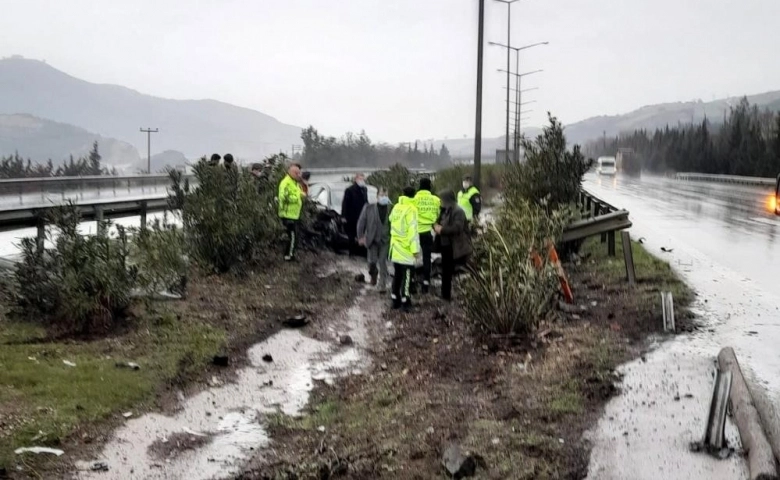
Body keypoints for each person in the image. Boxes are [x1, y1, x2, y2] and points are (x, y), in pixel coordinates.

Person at [434, 190, 473, 301]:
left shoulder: (458, 211)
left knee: (451, 271)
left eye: (442, 200)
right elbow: (438, 222)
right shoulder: (445, 210)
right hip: (445, 245)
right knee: (445, 271)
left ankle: (448, 295)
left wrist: (442, 230)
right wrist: (436, 226)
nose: (440, 202)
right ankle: (444, 295)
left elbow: (457, 228)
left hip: (455, 246)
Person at [389, 186, 420, 311]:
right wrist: (415, 251)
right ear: (414, 196)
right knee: (407, 277)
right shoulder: (411, 209)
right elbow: (412, 233)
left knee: (397, 276)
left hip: (395, 248)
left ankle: (395, 300)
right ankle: (405, 302)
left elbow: (391, 220)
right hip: (406, 250)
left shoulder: (396, 207)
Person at [356, 187, 392, 292]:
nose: (384, 197)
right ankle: (373, 275)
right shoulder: (368, 208)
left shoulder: (391, 209)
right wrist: (360, 237)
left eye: (386, 195)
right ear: (377, 196)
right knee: (372, 262)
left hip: (385, 240)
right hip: (371, 239)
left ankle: (382, 285)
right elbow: (361, 222)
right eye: (382, 195)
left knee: (382, 261)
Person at [412, 178, 441, 294]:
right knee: (427, 258)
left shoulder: (414, 199)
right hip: (429, 232)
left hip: (415, 232)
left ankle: (412, 281)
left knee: (413, 258)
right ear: (430, 186)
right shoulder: (436, 200)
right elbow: (438, 214)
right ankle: (426, 283)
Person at [277, 163, 304, 261]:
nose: (299, 175)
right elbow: (283, 197)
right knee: (292, 236)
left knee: (295, 236)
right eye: (297, 173)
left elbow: (297, 192)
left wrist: (302, 194)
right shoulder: (285, 182)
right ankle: (289, 256)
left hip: (294, 215)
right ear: (291, 172)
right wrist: (296, 198)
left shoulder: (294, 182)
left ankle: (290, 254)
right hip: (287, 214)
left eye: (299, 173)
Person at [341, 173, 368, 255]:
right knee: (351, 236)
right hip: (352, 216)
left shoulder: (364, 189)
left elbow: (366, 202)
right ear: (356, 179)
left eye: (363, 179)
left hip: (362, 215)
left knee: (362, 234)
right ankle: (352, 253)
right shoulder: (349, 190)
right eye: (360, 179)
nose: (362, 181)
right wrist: (344, 216)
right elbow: (345, 204)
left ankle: (362, 252)